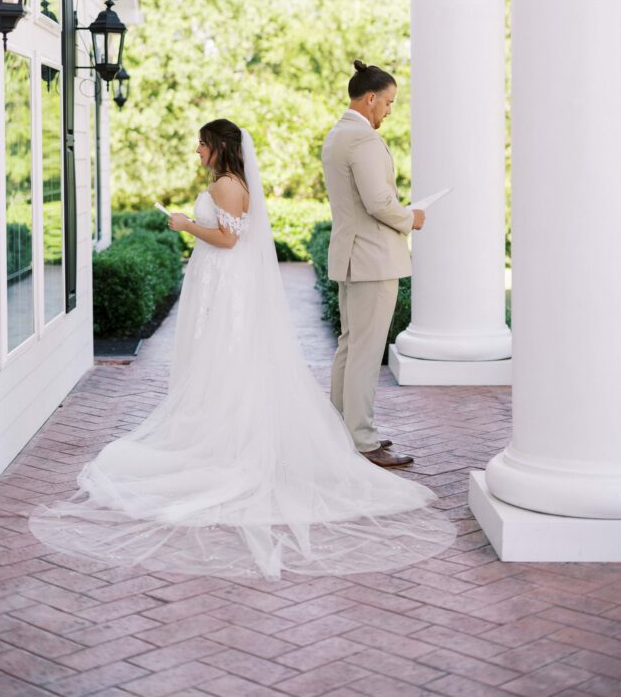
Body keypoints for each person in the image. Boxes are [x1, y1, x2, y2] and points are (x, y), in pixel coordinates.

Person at [28, 119, 455, 579]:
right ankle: (216, 426)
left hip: (223, 283)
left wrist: (184, 224)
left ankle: (226, 441)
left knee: (225, 359)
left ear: (218, 147)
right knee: (214, 361)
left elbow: (229, 240)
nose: (196, 150)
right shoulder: (225, 183)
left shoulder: (229, 186)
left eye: (201, 143)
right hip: (217, 281)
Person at [322, 61, 423, 468]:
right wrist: (410, 218)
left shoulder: (336, 135)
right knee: (365, 352)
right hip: (373, 260)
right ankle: (362, 441)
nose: (389, 111)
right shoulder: (361, 139)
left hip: (352, 257)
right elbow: (378, 202)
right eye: (388, 103)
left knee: (350, 348)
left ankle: (339, 430)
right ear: (370, 98)